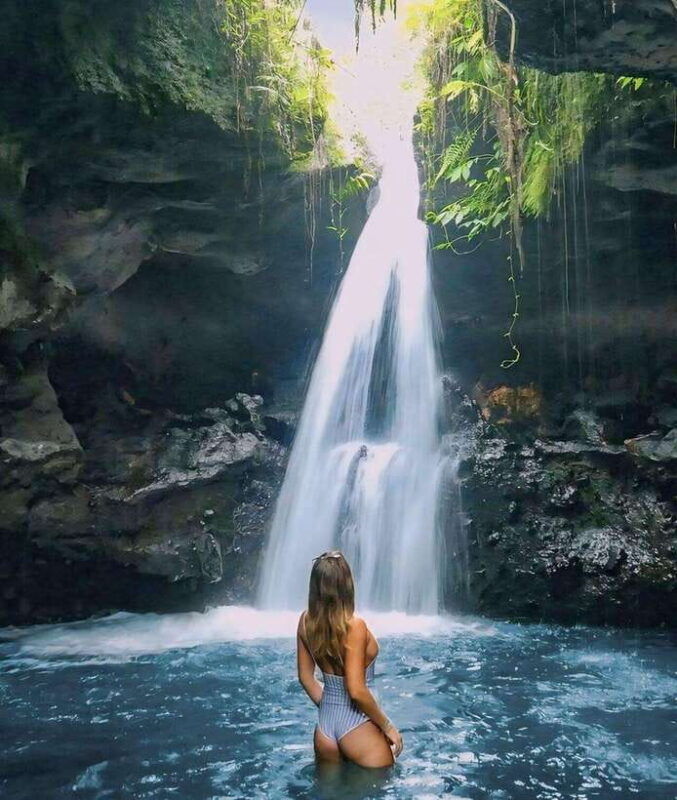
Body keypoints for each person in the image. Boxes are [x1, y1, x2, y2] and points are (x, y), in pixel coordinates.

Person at [296, 550, 404, 767]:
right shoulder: (355, 626)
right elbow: (355, 690)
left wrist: (331, 705)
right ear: (347, 583)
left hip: (325, 729)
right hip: (359, 728)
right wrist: (388, 727)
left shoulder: (306, 621)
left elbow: (305, 678)